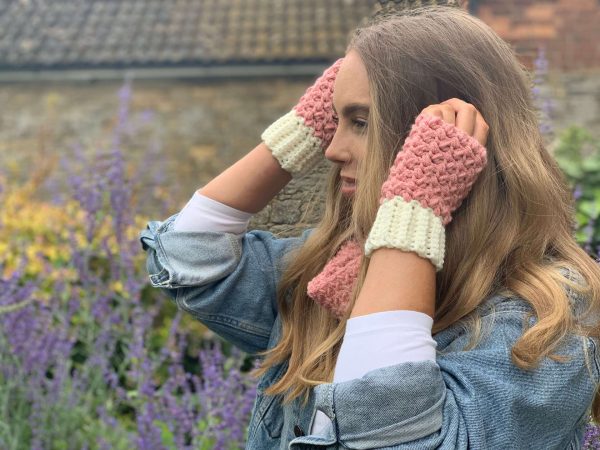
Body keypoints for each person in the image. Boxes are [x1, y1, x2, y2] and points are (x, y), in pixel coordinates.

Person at [140, 5, 600, 449]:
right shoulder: (329, 278)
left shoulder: (542, 327)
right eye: (328, 122)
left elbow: (395, 440)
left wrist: (415, 207)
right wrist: (298, 130)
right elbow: (186, 255)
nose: (330, 148)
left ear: (438, 137)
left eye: (359, 122)